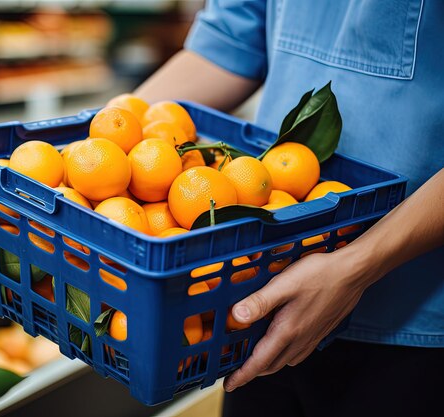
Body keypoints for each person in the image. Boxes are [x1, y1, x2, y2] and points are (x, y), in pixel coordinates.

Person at [134, 1, 444, 415]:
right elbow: (227, 44)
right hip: (256, 291)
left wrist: (357, 267)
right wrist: (100, 137)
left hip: (410, 321)